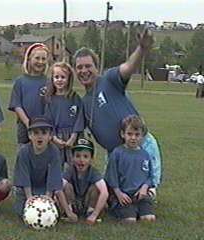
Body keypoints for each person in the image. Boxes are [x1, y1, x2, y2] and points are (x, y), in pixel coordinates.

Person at [73, 28, 161, 187]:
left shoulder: (109, 79)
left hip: (140, 147)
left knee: (144, 193)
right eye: (79, 67)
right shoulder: (83, 102)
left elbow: (128, 66)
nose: (84, 71)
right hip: (116, 154)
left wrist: (142, 48)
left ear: (97, 67)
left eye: (88, 66)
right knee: (115, 197)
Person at [13, 115, 78, 222]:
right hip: (27, 189)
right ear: (30, 135)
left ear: (50, 136)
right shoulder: (24, 151)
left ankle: (66, 208)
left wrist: (48, 197)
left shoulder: (54, 152)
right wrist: (29, 197)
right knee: (23, 213)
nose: (40, 137)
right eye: (36, 133)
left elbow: (54, 176)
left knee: (51, 212)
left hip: (45, 188)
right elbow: (23, 176)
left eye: (44, 133)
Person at [104, 115, 156, 223]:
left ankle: (140, 208)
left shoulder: (145, 155)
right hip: (123, 195)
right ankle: (118, 208)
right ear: (123, 134)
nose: (133, 138)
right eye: (130, 134)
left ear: (142, 136)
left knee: (149, 219)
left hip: (140, 195)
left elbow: (150, 176)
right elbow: (111, 177)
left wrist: (144, 188)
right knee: (130, 220)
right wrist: (118, 193)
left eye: (137, 135)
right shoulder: (117, 153)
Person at [8, 43, 50, 147]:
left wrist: (41, 125)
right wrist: (28, 123)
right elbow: (16, 105)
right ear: (29, 59)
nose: (40, 62)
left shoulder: (48, 82)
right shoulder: (20, 81)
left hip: (43, 128)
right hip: (24, 127)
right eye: (37, 58)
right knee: (23, 156)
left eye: (43, 59)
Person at [44, 62, 84, 167]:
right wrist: (54, 138)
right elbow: (47, 120)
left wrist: (73, 137)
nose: (59, 80)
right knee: (56, 165)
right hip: (56, 135)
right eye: (56, 77)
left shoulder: (74, 97)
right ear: (52, 79)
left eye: (63, 77)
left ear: (68, 79)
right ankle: (57, 183)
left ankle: (75, 183)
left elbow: (79, 119)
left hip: (73, 135)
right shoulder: (50, 99)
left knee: (75, 165)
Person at [62, 138, 109, 224]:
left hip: (87, 200)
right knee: (67, 186)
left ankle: (91, 211)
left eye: (86, 156)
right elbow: (59, 187)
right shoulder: (70, 170)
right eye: (77, 156)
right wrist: (67, 211)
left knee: (95, 188)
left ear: (91, 159)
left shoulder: (93, 172)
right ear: (72, 158)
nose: (81, 160)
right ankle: (69, 210)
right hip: (74, 200)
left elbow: (104, 192)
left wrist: (94, 215)